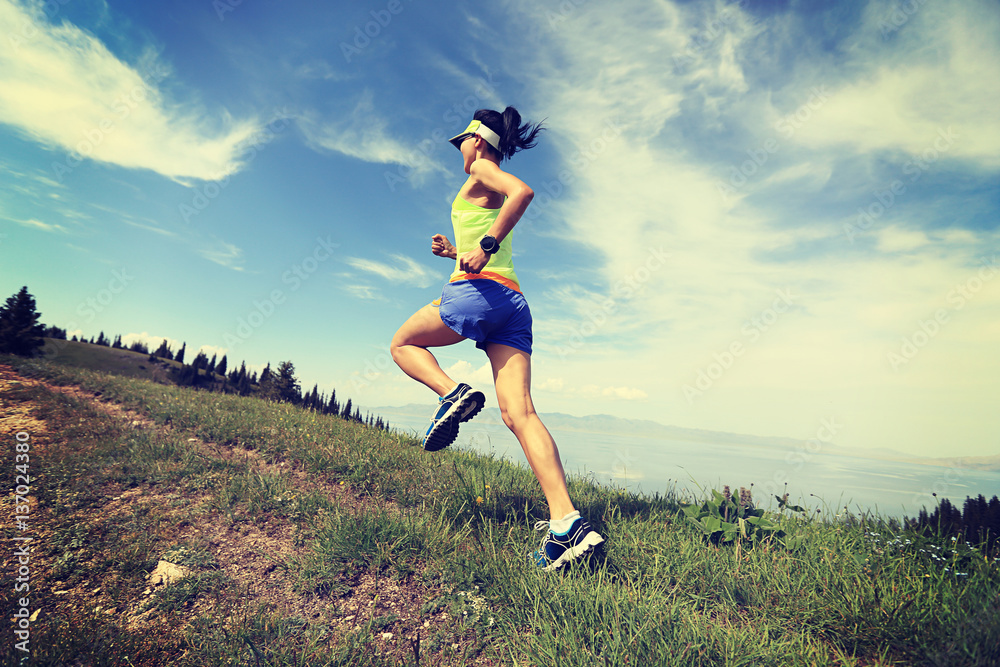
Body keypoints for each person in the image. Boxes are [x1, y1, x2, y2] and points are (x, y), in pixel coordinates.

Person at [390, 106, 604, 570]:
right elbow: (482, 242)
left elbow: (523, 192)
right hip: (513, 305)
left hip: (479, 294)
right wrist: (456, 251)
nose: (459, 150)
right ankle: (568, 525)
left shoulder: (482, 168)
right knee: (520, 413)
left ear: (478, 142)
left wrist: (483, 248)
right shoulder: (479, 183)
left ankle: (452, 393)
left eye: (461, 142)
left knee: (402, 345)